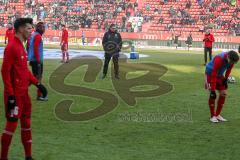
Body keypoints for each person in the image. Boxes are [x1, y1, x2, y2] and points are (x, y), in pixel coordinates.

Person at [0, 18, 48, 160]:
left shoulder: (21, 46)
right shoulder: (12, 47)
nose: (31, 31)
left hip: (24, 95)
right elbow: (5, 71)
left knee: (26, 123)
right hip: (15, 95)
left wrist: (38, 84)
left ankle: (28, 156)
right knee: (11, 125)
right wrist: (10, 95)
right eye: (28, 28)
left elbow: (25, 71)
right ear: (20, 29)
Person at [205, 50, 239, 123]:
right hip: (210, 74)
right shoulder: (219, 59)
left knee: (223, 94)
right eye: (231, 62)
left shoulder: (232, 61)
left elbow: (228, 70)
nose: (232, 64)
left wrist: (226, 79)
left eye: (233, 63)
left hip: (219, 75)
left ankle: (217, 115)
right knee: (212, 95)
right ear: (228, 57)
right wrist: (213, 90)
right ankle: (212, 116)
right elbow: (213, 75)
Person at [27, 22, 47, 101]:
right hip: (37, 60)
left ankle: (21, 89)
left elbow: (28, 45)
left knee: (34, 78)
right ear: (40, 28)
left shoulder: (33, 34)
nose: (44, 29)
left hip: (33, 59)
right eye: (43, 28)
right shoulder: (38, 36)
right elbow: (35, 48)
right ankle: (39, 96)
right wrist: (38, 60)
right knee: (38, 78)